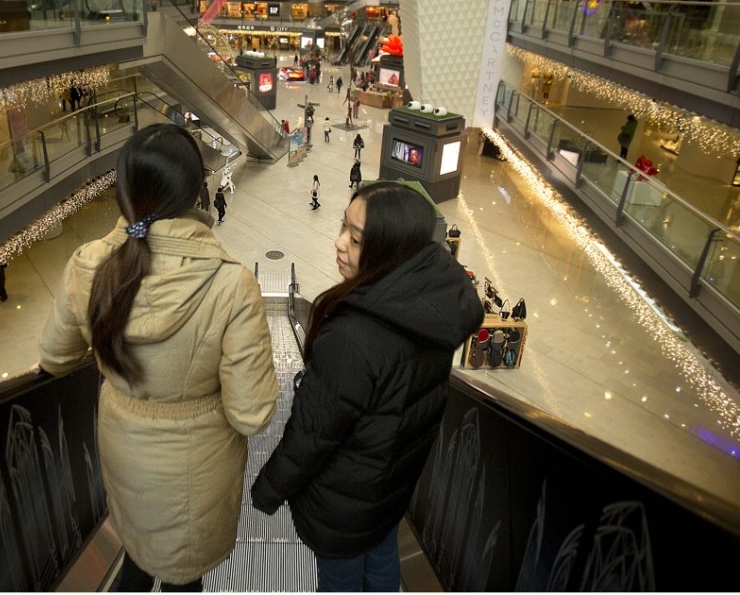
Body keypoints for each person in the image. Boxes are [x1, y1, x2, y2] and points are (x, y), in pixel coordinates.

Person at [38, 123, 277, 591]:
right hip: (197, 474)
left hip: (124, 451)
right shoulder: (231, 285)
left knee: (138, 554)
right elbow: (252, 414)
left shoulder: (89, 264)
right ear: (196, 190)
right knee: (183, 577)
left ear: (123, 189)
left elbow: (55, 358)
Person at [250, 182, 484, 592]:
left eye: (356, 240)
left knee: (341, 580)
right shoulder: (432, 308)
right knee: (381, 560)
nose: (339, 243)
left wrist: (269, 489)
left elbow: (312, 434)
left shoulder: (352, 340)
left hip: (344, 505)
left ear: (390, 250)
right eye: (344, 227)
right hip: (390, 490)